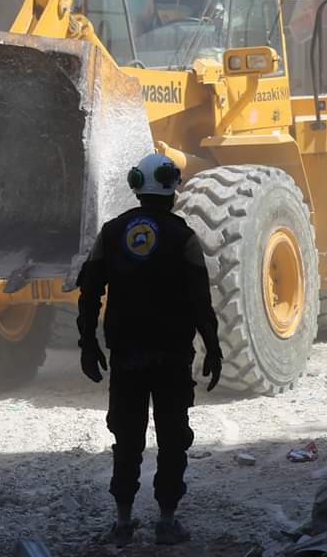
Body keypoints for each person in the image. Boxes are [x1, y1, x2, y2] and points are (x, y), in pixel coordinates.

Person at [76, 153, 223, 547]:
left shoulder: (111, 232)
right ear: (172, 187)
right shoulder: (183, 236)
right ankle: (167, 521)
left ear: (136, 185)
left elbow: (90, 291)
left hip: (127, 355)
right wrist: (213, 347)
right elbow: (199, 299)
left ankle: (123, 522)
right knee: (173, 437)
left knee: (127, 438)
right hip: (172, 355)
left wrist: (87, 343)